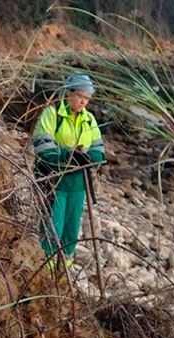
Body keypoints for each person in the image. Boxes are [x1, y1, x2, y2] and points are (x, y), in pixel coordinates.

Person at [32, 73, 105, 271]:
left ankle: (64, 270)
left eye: (87, 98)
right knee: (52, 226)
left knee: (72, 229)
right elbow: (41, 144)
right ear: (68, 93)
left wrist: (91, 160)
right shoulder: (52, 114)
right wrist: (66, 156)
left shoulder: (89, 119)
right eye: (80, 95)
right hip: (54, 181)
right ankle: (46, 271)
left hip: (78, 184)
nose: (83, 101)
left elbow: (99, 148)